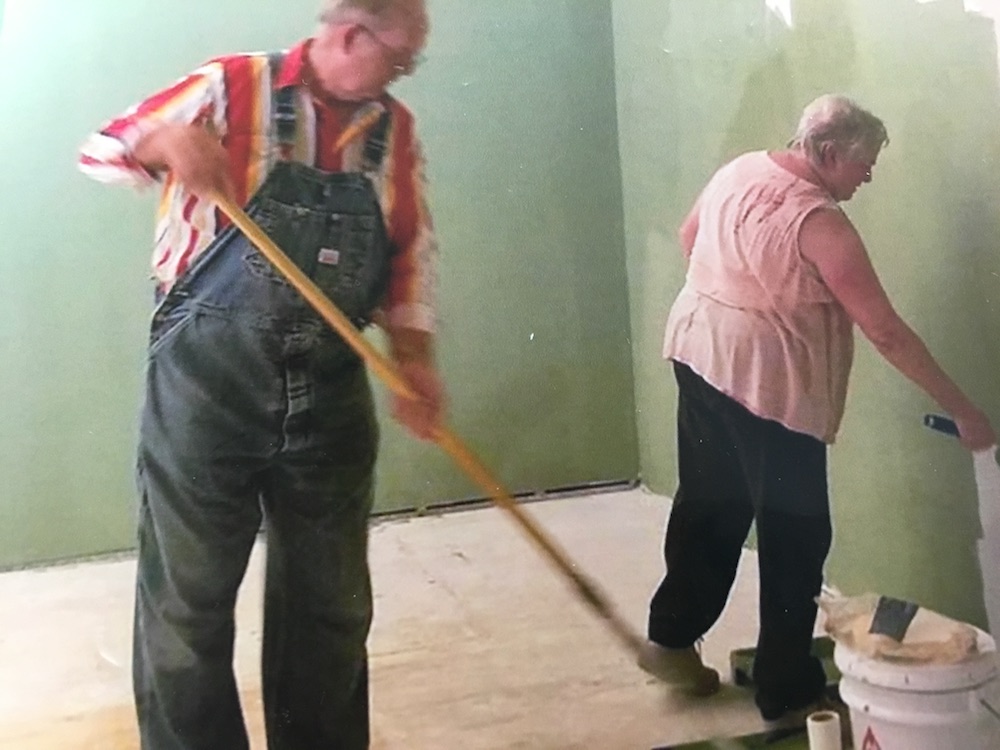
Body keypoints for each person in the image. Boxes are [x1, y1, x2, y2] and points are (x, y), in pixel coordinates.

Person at [78, 1, 441, 747]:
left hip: (332, 390)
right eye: (400, 60)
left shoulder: (392, 131)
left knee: (331, 607)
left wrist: (415, 362)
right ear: (349, 34)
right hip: (206, 389)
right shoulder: (231, 86)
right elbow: (103, 149)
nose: (403, 78)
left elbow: (409, 251)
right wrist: (165, 137)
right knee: (189, 608)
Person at [637, 94, 996, 723]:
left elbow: (689, 235)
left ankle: (671, 639)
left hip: (697, 354)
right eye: (865, 164)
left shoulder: (741, 169)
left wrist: (739, 294)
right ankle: (785, 688)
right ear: (828, 153)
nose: (869, 176)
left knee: (709, 505)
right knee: (795, 538)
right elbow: (886, 332)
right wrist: (965, 410)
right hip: (769, 390)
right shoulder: (821, 224)